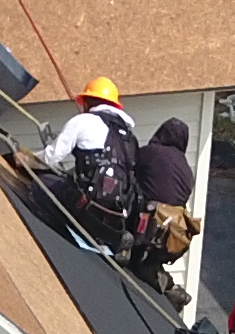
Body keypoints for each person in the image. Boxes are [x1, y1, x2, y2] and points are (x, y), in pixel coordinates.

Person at [37, 76, 141, 247]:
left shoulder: (82, 121)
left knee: (40, 185)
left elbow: (51, 157)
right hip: (115, 220)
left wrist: (25, 159)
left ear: (86, 102)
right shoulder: (130, 139)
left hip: (85, 208)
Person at [130, 118, 197, 282]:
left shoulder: (150, 152)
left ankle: (125, 245)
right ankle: (155, 271)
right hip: (169, 237)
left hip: (142, 224)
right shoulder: (187, 170)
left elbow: (127, 168)